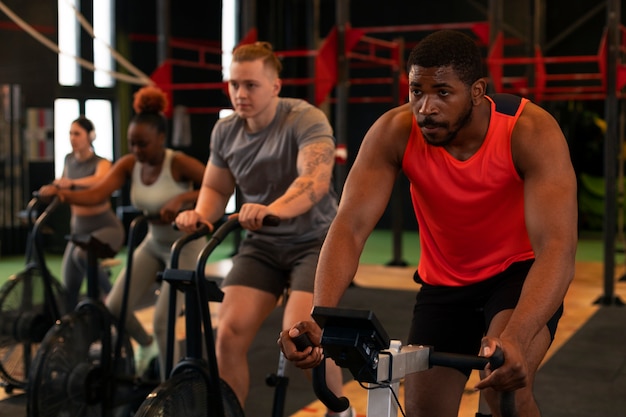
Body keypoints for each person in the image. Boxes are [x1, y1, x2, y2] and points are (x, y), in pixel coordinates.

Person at [279, 30, 578, 417]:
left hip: (516, 278)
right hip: (444, 286)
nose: (425, 107)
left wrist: (517, 337)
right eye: (416, 91)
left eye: (442, 92)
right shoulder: (394, 132)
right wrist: (323, 318)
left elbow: (557, 249)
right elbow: (350, 226)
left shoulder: (529, 131)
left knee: (505, 391)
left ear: (476, 90)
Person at [175, 41, 352, 416]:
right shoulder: (225, 131)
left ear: (275, 86)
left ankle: (341, 412)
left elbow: (315, 180)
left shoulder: (305, 119)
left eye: (251, 85)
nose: (240, 94)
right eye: (234, 84)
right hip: (263, 244)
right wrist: (202, 216)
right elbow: (215, 187)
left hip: (315, 241)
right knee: (229, 334)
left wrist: (272, 209)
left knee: (301, 336)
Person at [39, 86, 207, 380]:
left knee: (163, 321)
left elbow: (218, 187)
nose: (137, 151)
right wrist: (61, 194)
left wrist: (182, 199)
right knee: (114, 307)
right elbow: (96, 193)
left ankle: (174, 393)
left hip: (185, 246)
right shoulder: (130, 163)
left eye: (143, 144)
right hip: (154, 242)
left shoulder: (177, 162)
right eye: (132, 144)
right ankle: (146, 347)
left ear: (161, 139)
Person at [52, 116, 125, 311]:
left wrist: (72, 183)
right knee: (69, 287)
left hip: (106, 227)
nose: (72, 138)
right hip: (78, 229)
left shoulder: (102, 162)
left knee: (82, 254)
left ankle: (111, 297)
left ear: (90, 136)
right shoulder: (68, 159)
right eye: (70, 133)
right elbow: (61, 182)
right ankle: (76, 333)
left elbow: (100, 180)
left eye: (77, 133)